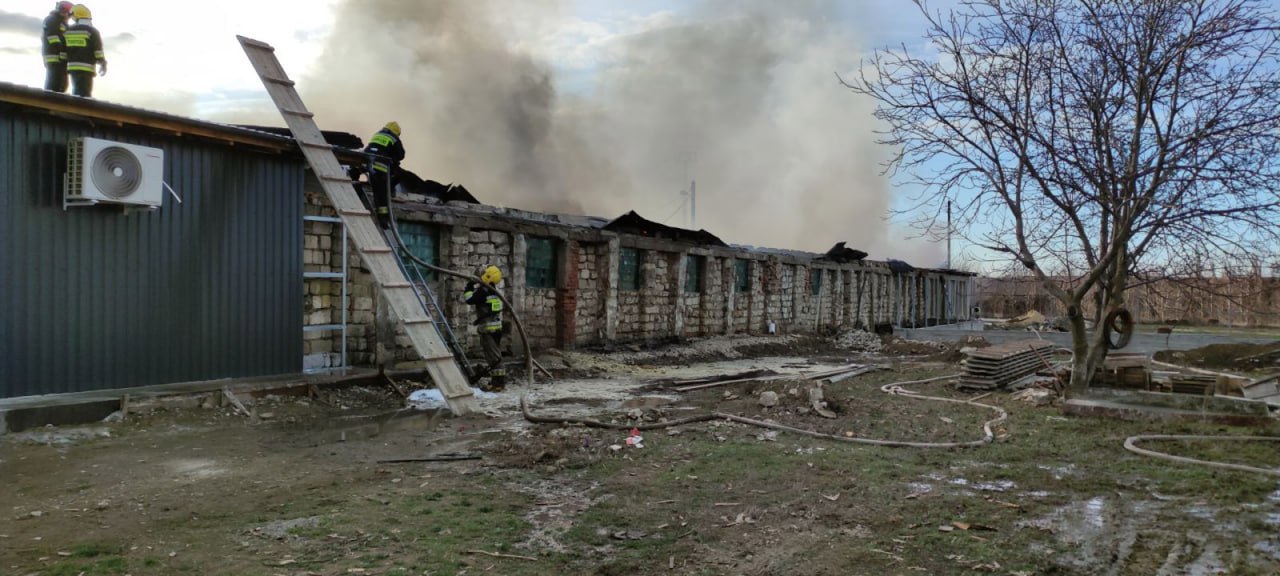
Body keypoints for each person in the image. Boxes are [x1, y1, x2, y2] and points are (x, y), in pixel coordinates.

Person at [463, 265, 506, 390]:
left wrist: (470, 285)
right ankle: (498, 381)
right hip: (497, 329)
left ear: (487, 276)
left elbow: (469, 299)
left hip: (488, 329)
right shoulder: (494, 291)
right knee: (496, 355)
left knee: (493, 357)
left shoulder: (483, 291)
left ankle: (498, 384)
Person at [362, 121, 404, 228]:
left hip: (369, 166)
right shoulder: (394, 138)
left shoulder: (377, 134)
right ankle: (384, 220)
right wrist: (392, 159)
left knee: (377, 192)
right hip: (381, 168)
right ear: (397, 132)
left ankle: (381, 217)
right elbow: (401, 155)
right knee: (383, 193)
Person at [64, 4, 106, 98]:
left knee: (76, 90)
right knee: (84, 94)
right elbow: (98, 51)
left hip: (72, 66)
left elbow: (64, 48)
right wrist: (103, 63)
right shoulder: (92, 31)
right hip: (87, 67)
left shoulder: (68, 30)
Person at [42, 2, 74, 92]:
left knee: (62, 84)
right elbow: (53, 38)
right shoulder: (52, 20)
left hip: (60, 58)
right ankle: (49, 99)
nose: (69, 17)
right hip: (55, 57)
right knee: (54, 84)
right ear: (64, 12)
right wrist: (61, 50)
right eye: (69, 14)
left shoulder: (62, 23)